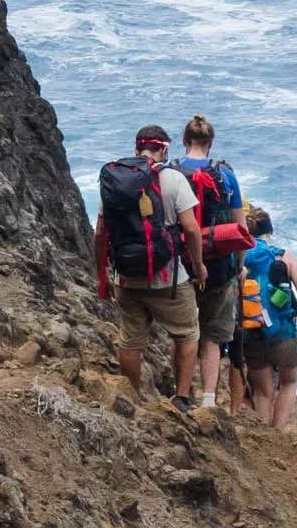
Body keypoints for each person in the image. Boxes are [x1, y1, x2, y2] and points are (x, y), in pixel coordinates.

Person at [95, 124, 205, 411]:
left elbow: (100, 234)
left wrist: (102, 276)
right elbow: (192, 230)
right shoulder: (173, 179)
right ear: (164, 150)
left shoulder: (115, 180)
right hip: (168, 278)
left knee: (130, 340)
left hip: (126, 276)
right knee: (187, 333)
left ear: (136, 148)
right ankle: (180, 398)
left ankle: (130, 397)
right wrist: (198, 264)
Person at [174, 115, 247, 412]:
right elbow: (240, 225)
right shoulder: (225, 175)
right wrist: (238, 266)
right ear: (211, 143)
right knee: (213, 336)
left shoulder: (170, 171)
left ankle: (180, 390)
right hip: (219, 264)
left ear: (184, 141)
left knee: (182, 331)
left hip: (181, 263)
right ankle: (207, 398)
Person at [235, 209, 297, 432]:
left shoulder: (239, 256)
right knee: (288, 384)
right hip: (285, 333)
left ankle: (264, 437)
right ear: (271, 231)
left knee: (263, 392)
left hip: (252, 332)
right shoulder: (285, 256)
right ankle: (277, 434)